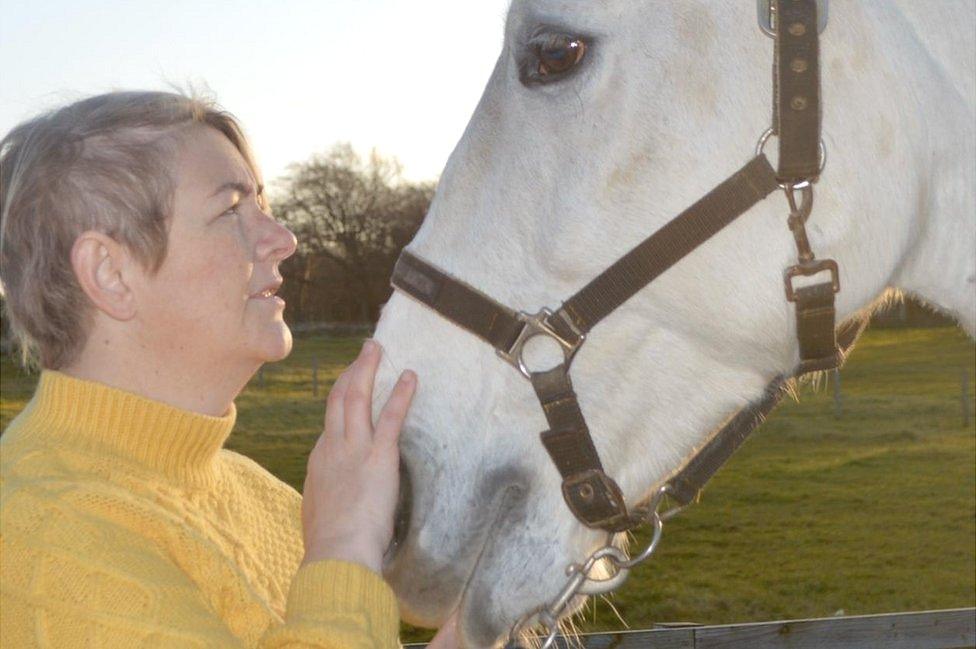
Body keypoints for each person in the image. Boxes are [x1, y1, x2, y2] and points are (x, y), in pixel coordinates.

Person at [0, 91, 458, 647]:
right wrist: (347, 542)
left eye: (261, 203)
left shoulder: (257, 494)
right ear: (110, 273)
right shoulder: (44, 541)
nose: (282, 239)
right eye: (230, 210)